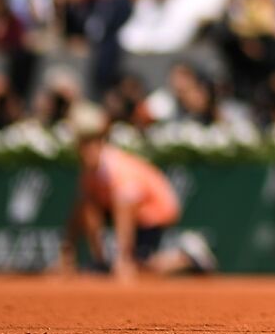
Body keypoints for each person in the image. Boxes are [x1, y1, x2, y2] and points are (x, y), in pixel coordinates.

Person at [58, 103, 215, 280]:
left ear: (100, 143)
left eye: (91, 143)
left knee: (140, 269)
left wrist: (123, 258)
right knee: (88, 206)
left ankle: (188, 258)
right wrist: (67, 250)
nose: (86, 150)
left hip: (154, 212)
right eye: (83, 144)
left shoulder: (118, 169)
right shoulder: (88, 172)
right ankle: (100, 262)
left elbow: (125, 211)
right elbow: (80, 211)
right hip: (135, 213)